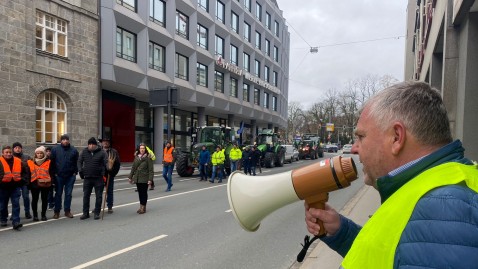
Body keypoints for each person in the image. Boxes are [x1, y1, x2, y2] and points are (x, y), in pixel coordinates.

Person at [304, 81, 478, 268]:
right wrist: (342, 233)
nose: (354, 149)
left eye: (361, 137)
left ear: (396, 137)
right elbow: (396, 254)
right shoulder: (437, 191)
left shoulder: (444, 208)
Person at [0, 146, 29, 230]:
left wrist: (22, 180)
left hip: (15, 187)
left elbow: (25, 171)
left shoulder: (18, 161)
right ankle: (3, 219)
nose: (9, 154)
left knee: (16, 204)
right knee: (2, 205)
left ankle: (16, 222)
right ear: (3, 153)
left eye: (10, 152)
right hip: (3, 187)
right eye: (6, 152)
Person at [50, 134, 79, 219]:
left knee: (68, 194)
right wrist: (54, 173)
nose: (65, 141)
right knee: (58, 194)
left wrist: (75, 172)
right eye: (63, 139)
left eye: (67, 139)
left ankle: (67, 211)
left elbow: (77, 161)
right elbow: (52, 162)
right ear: (61, 141)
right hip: (59, 176)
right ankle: (57, 212)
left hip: (70, 176)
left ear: (69, 140)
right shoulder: (55, 149)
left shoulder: (73, 150)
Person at [78, 137, 106, 220]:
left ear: (96, 145)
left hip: (98, 178)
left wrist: (107, 169)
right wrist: (80, 171)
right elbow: (79, 161)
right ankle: (85, 213)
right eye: (89, 144)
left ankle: (97, 213)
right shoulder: (84, 152)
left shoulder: (102, 152)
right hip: (87, 177)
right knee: (86, 196)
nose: (91, 146)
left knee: (99, 196)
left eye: (93, 144)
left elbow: (106, 162)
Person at [27, 146, 54, 221]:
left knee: (44, 199)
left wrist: (52, 182)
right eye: (37, 153)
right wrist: (28, 184)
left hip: (45, 183)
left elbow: (51, 172)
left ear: (44, 154)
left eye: (41, 153)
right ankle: (35, 216)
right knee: (35, 200)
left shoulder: (49, 162)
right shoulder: (30, 162)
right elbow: (28, 173)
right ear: (35, 154)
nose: (39, 155)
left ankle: (43, 215)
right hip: (34, 183)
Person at [128, 143, 153, 214]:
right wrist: (130, 177)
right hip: (138, 178)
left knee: (144, 193)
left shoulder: (148, 157)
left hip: (145, 178)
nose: (142, 150)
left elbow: (151, 170)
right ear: (139, 149)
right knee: (140, 193)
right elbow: (133, 168)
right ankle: (141, 206)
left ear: (145, 149)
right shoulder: (136, 157)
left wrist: (150, 179)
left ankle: (143, 207)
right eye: (141, 148)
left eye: (143, 148)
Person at [99, 137, 121, 214]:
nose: (105, 143)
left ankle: (110, 206)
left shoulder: (113, 152)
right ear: (101, 143)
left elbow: (117, 164)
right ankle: (97, 207)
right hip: (100, 175)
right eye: (104, 141)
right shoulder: (98, 151)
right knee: (98, 191)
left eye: (107, 142)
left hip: (109, 175)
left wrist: (113, 173)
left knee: (109, 191)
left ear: (109, 143)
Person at [12, 142, 32, 219]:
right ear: (13, 149)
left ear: (21, 149)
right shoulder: (11, 158)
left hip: (24, 181)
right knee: (15, 199)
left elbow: (30, 169)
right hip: (15, 181)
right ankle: (15, 214)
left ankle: (27, 212)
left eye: (19, 148)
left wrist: (29, 180)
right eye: (16, 148)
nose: (17, 149)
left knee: (26, 197)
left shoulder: (27, 157)